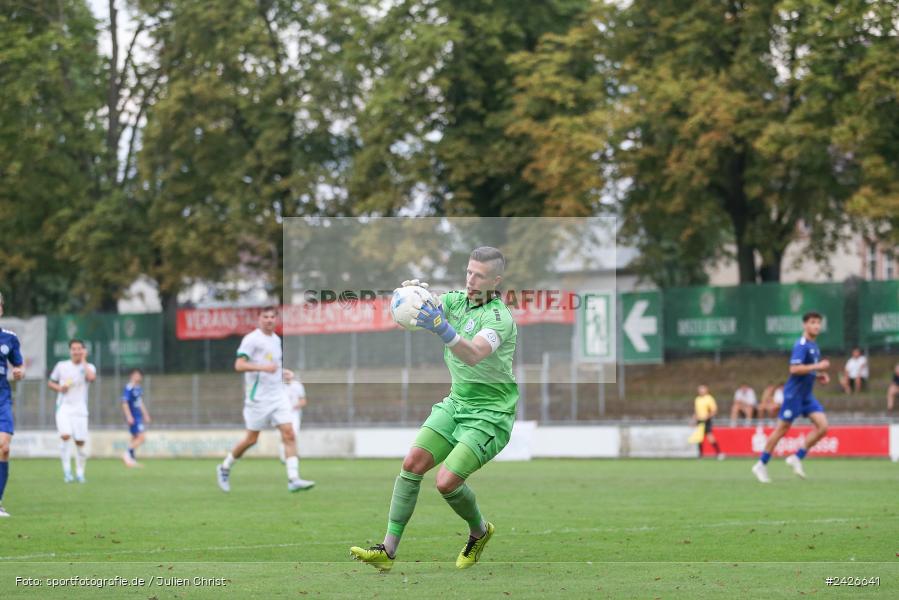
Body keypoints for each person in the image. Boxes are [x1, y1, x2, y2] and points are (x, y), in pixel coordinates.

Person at [351, 246, 518, 572]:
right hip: (457, 403)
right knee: (412, 463)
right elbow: (433, 305)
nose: (471, 279)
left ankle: (479, 531)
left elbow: (473, 354)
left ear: (496, 280)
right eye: (469, 271)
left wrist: (443, 328)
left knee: (446, 482)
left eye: (479, 275)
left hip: (490, 415)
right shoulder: (456, 300)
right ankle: (387, 550)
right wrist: (412, 296)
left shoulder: (499, 319)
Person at [216, 306, 314, 493]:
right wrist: (263, 368)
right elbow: (239, 365)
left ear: (276, 320)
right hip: (258, 399)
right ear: (259, 319)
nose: (269, 320)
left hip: (278, 396)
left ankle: (293, 479)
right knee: (251, 440)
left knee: (289, 433)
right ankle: (225, 467)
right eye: (265, 317)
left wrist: (281, 373)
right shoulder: (251, 340)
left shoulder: (276, 340)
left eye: (272, 317)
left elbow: (273, 367)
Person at [752, 312, 830, 483]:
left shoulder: (814, 346)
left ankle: (797, 457)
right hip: (793, 395)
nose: (816, 326)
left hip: (806, 396)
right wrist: (818, 366)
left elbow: (806, 369)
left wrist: (818, 375)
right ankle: (761, 464)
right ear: (805, 325)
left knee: (823, 426)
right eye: (812, 322)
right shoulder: (801, 345)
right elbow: (794, 369)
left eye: (818, 323)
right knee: (781, 430)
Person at [48, 339, 97, 483]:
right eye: (74, 349)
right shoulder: (61, 366)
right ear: (70, 351)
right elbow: (51, 382)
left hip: (80, 409)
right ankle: (67, 471)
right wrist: (60, 388)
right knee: (65, 435)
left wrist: (84, 360)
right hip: (63, 407)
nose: (76, 351)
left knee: (80, 442)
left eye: (79, 349)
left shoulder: (89, 366)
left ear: (83, 350)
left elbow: (91, 377)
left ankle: (80, 473)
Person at [0, 292, 26, 517]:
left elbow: (19, 365)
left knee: (4, 447)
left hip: (2, 399)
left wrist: (19, 372)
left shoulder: (9, 338)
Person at [121, 368, 151, 467]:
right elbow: (124, 403)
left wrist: (145, 414)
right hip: (133, 416)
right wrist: (129, 416)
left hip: (138, 416)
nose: (138, 377)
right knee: (142, 438)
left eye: (139, 375)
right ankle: (126, 454)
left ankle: (131, 460)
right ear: (131, 376)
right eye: (136, 375)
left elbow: (140, 402)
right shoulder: (128, 388)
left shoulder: (138, 388)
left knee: (135, 438)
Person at [279, 372, 307, 464]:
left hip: (294, 414)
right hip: (282, 414)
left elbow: (303, 401)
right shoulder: (279, 386)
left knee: (293, 435)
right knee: (284, 435)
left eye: (288, 374)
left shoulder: (298, 386)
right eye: (284, 374)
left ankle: (292, 456)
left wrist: (294, 406)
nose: (286, 376)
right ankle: (284, 456)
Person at [693, 385, 723, 459]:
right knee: (699, 438)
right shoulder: (697, 399)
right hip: (699, 420)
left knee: (710, 437)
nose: (701, 391)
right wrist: (694, 418)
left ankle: (719, 453)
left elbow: (714, 410)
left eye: (702, 389)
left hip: (706, 420)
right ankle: (700, 454)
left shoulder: (709, 398)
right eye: (700, 389)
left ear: (706, 390)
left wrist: (708, 416)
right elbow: (696, 411)